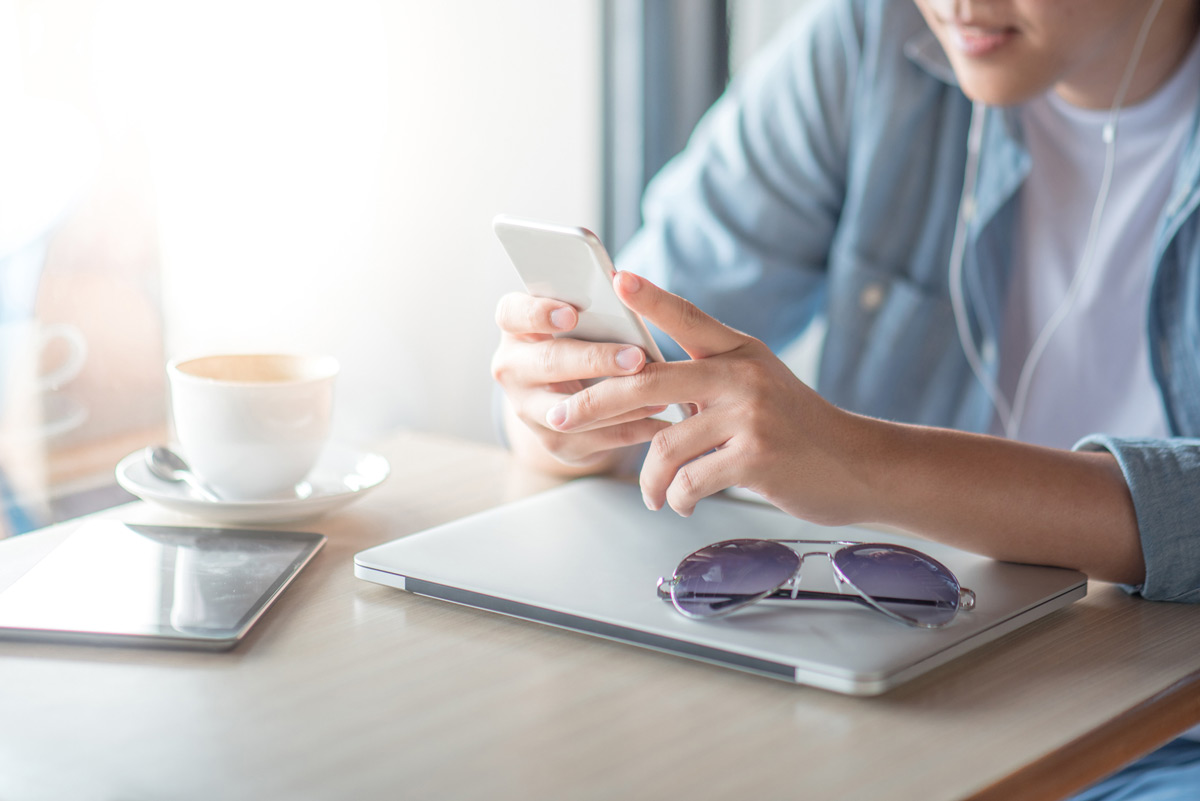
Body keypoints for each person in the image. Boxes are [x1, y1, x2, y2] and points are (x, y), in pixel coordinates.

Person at [492, 0, 1200, 797]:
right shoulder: (873, 37)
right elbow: (654, 324)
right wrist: (564, 413)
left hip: (1166, 736)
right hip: (891, 690)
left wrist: (862, 463)